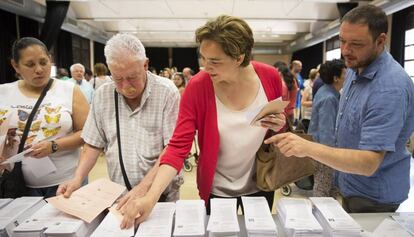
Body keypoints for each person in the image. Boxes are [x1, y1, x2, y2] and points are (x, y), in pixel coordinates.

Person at [119, 15, 285, 228]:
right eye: (203, 58)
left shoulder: (269, 77)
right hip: (217, 189)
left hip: (261, 182)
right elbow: (178, 147)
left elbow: (278, 125)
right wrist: (150, 197)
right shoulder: (198, 87)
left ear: (239, 57)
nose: (206, 67)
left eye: (215, 61)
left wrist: (280, 124)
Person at [266, 5, 414, 213]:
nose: (345, 50)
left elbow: (369, 163)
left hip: (372, 196)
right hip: (347, 183)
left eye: (355, 44)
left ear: (380, 41)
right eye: (343, 41)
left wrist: (307, 148)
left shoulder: (389, 88)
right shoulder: (355, 67)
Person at [57, 33, 183, 205]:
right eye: (117, 78)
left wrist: (143, 188)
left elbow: (172, 148)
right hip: (119, 195)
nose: (125, 87)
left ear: (145, 64)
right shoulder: (103, 94)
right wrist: (77, 178)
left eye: (132, 77)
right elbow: (93, 143)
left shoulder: (167, 92)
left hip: (161, 194)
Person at [0, 37, 89, 198]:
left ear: (50, 59)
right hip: (17, 183)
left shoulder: (69, 90)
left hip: (65, 181)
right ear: (15, 65)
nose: (39, 69)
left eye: (43, 62)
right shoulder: (4, 92)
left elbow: (88, 133)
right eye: (30, 64)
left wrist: (54, 145)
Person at [308, 59, 346, 197]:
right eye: (344, 74)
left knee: (327, 188)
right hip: (324, 152)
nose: (347, 77)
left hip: (321, 150)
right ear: (336, 78)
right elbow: (326, 132)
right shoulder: (329, 98)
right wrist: (332, 156)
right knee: (323, 189)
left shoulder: (326, 91)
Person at [300, 68, 318, 132]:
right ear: (314, 77)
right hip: (307, 118)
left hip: (315, 118)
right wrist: (315, 103)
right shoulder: (308, 88)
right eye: (317, 76)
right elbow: (302, 102)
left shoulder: (318, 87)